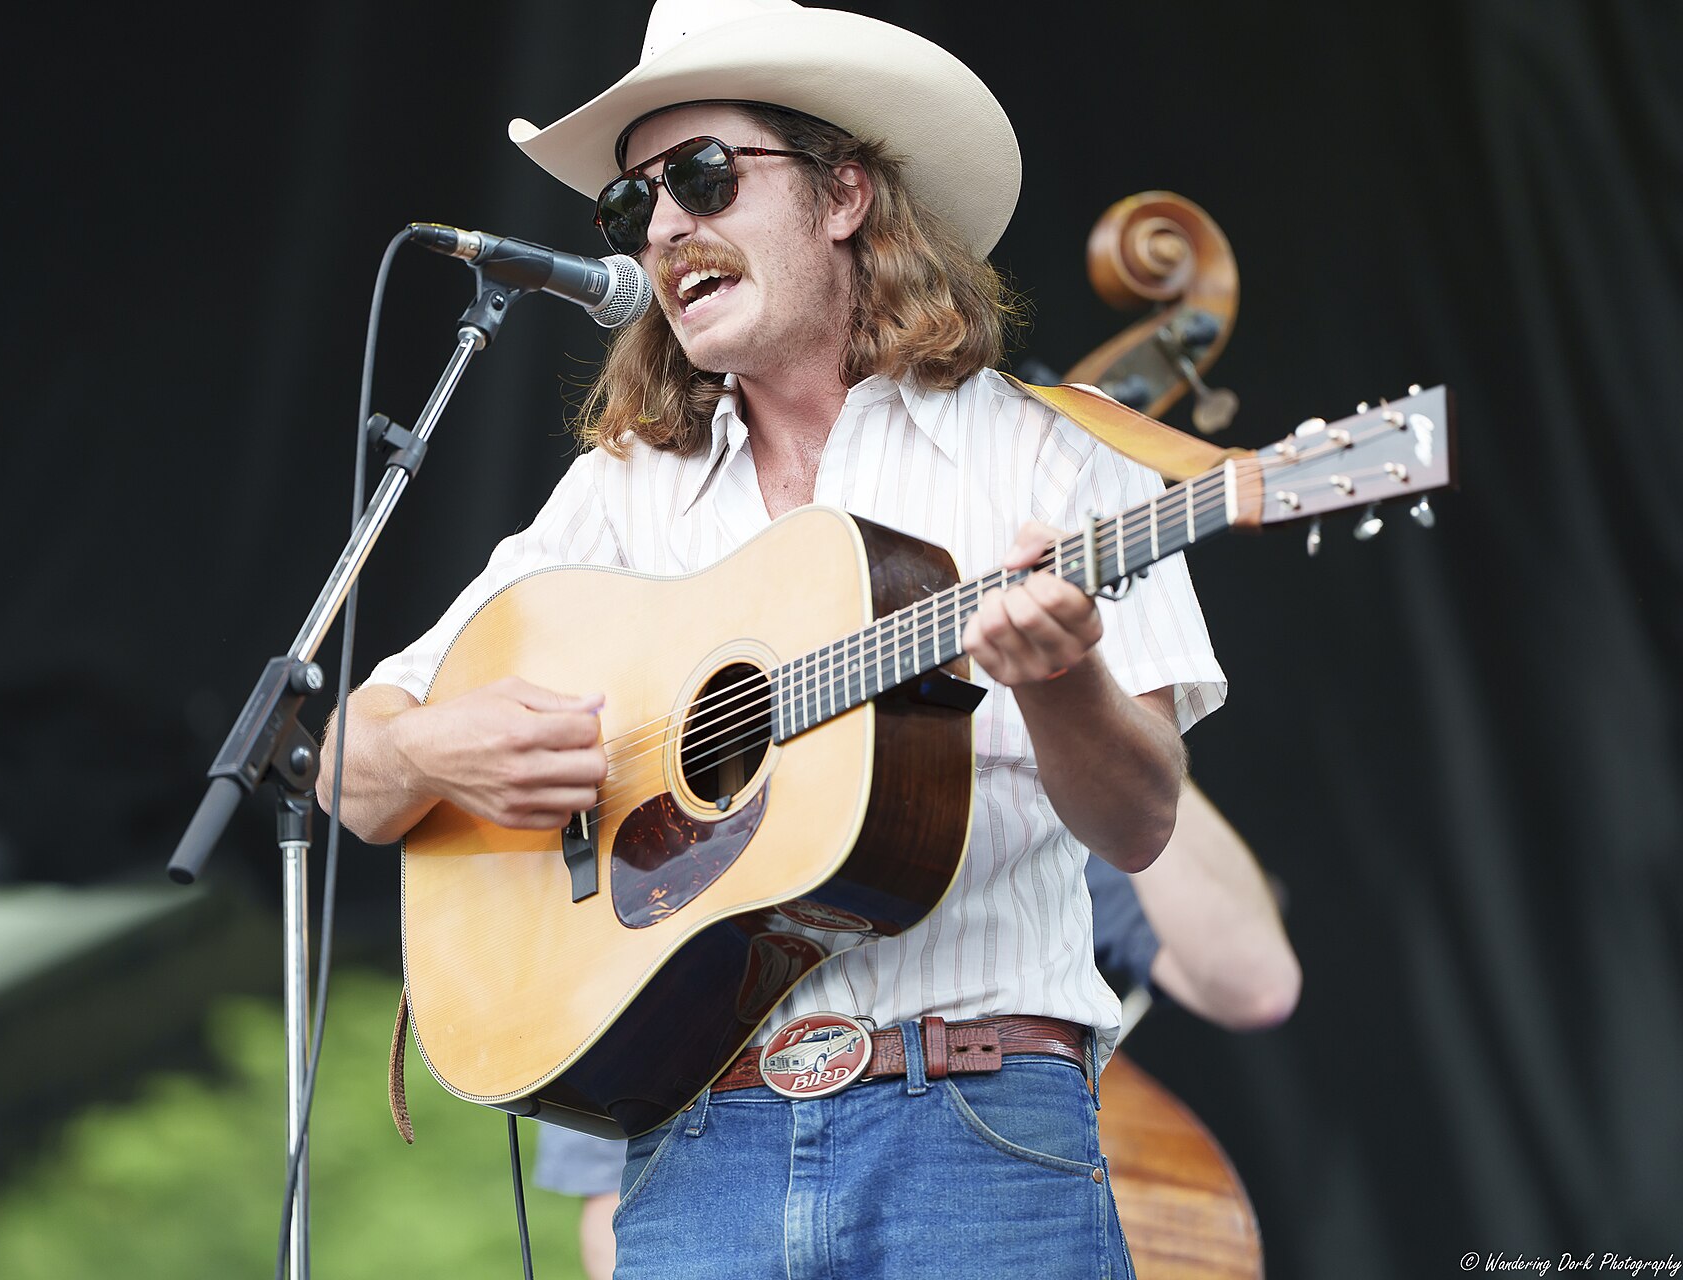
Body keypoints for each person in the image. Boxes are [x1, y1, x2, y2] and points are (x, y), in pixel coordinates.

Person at [321, 1, 1227, 1274]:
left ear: (844, 192)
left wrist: (1065, 675)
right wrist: (436, 753)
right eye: (632, 207)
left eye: (701, 176)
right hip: (698, 1153)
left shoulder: (1052, 454)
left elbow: (1141, 823)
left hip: (975, 1134)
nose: (666, 227)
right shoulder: (622, 492)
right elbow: (346, 765)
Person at [533, 779, 1300, 1280]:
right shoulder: (660, 860)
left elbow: (1255, 981)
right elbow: (613, 1206)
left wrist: (1128, 709)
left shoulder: (1000, 800)